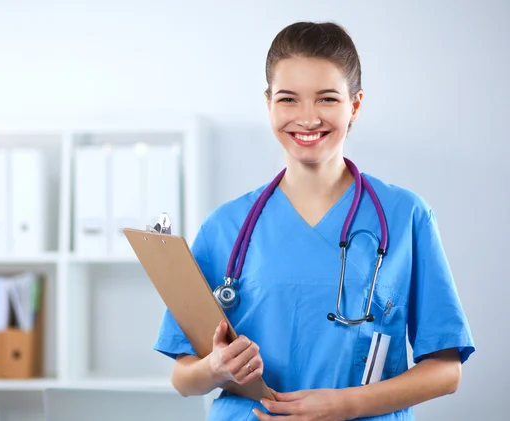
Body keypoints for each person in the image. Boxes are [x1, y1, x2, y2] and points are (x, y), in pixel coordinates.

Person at [153, 21, 475, 420]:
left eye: (326, 99)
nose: (307, 119)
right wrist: (214, 368)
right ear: (268, 103)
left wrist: (344, 406)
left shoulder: (406, 216)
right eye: (288, 99)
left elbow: (446, 370)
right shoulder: (225, 227)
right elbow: (183, 378)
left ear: (354, 104)